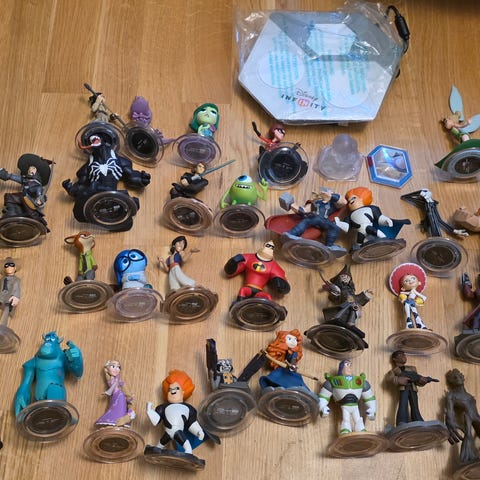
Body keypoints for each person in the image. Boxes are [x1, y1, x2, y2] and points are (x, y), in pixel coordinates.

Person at [146, 370, 204, 455]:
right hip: (168, 431)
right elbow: (156, 420)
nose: (173, 391)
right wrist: (149, 411)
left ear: (183, 391)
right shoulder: (162, 407)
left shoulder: (188, 409)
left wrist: (199, 431)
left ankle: (188, 452)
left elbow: (192, 423)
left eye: (177, 388)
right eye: (170, 389)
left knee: (185, 443)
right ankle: (157, 450)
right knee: (162, 442)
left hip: (178, 431)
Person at [319, 360, 376, 434]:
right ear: (341, 368)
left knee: (358, 419)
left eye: (350, 365)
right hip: (344, 405)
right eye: (347, 365)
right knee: (346, 419)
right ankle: (346, 429)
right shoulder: (333, 382)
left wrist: (372, 409)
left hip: (355, 405)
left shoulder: (360, 381)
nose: (349, 368)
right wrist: (322, 407)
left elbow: (369, 397)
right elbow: (323, 397)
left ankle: (360, 429)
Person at [224, 240, 290, 303]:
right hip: (247, 288)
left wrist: (280, 284)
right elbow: (229, 271)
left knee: (267, 297)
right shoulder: (249, 258)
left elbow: (283, 283)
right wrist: (233, 262)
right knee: (243, 291)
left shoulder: (273, 266)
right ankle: (239, 304)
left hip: (259, 291)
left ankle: (268, 308)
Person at [385, 350, 436, 426]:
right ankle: (401, 421)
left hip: (413, 388)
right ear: (394, 359)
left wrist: (422, 381)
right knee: (403, 404)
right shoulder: (395, 370)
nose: (404, 356)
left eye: (404, 355)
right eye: (400, 355)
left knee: (415, 405)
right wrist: (398, 379)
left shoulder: (412, 368)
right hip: (404, 388)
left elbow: (417, 379)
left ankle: (418, 420)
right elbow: (389, 378)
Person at [445, 368, 480, 465]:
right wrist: (450, 421)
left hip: (476, 418)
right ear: (451, 382)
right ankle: (467, 458)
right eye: (455, 378)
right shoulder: (452, 395)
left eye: (459, 376)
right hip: (467, 418)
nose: (458, 378)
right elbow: (450, 412)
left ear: (463, 378)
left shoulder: (469, 395)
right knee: (468, 435)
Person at [95, 360, 135, 427]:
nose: (116, 369)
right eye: (113, 366)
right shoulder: (111, 380)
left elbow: (127, 394)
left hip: (120, 399)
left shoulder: (119, 382)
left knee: (118, 412)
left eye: (118, 367)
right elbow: (108, 380)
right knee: (113, 411)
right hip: (114, 398)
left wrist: (130, 399)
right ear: (107, 369)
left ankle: (120, 421)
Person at [389, 263, 428, 329]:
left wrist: (417, 294)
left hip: (412, 302)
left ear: (419, 283)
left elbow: (424, 298)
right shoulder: (407, 292)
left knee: (415, 313)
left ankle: (420, 325)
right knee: (408, 314)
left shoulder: (415, 292)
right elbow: (402, 293)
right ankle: (409, 325)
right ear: (403, 287)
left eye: (413, 278)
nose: (410, 281)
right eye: (406, 281)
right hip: (407, 302)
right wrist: (403, 295)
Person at [0, 258, 20, 326]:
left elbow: (17, 288)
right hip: (1, 297)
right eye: (6, 265)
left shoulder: (16, 280)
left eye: (11, 265)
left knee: (6, 312)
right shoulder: (3, 279)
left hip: (9, 298)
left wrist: (16, 297)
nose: (9, 267)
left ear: (15, 268)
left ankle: (2, 327)